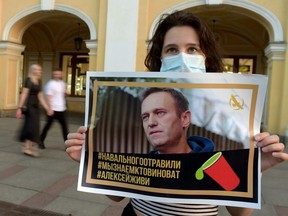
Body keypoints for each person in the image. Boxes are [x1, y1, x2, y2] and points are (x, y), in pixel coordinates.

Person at [65, 11, 288, 215]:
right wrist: (87, 160)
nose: (182, 56)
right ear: (160, 57)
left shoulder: (218, 157)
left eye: (192, 49)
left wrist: (256, 170)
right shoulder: (141, 159)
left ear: (185, 118)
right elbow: (116, 196)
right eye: (171, 49)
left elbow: (238, 212)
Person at [16, 64, 52, 157]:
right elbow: (24, 94)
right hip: (30, 106)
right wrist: (19, 108)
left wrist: (47, 108)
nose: (40, 71)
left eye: (40, 70)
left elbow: (40, 96)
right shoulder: (28, 80)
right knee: (31, 127)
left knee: (33, 127)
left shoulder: (39, 81)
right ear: (33, 70)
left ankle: (27, 147)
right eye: (37, 70)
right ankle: (27, 148)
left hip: (36, 107)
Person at [39, 68, 69, 149]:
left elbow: (65, 95)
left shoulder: (63, 83)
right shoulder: (50, 84)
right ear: (53, 75)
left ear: (61, 74)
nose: (57, 75)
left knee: (65, 127)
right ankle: (40, 141)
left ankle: (67, 145)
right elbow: (49, 97)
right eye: (55, 74)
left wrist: (66, 93)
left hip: (62, 109)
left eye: (58, 74)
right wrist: (49, 108)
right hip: (53, 109)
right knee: (48, 126)